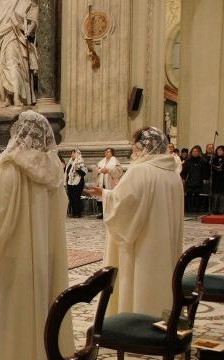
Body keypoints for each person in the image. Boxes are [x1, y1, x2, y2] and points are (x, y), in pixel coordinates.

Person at [0, 110, 74, 360]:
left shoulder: (11, 166)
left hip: (15, 263)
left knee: (13, 317)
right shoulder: (55, 170)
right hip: (45, 259)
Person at [87, 127, 183, 316]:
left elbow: (123, 206)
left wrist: (106, 196)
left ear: (143, 146)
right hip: (164, 243)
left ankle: (135, 321)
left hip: (144, 246)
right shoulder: (173, 173)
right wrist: (107, 193)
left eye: (135, 146)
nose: (133, 151)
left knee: (141, 283)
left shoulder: (140, 170)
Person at [96, 148, 123, 218]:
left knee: (110, 197)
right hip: (102, 182)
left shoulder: (115, 161)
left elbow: (119, 171)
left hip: (111, 182)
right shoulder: (102, 161)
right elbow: (96, 169)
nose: (106, 153)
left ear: (112, 153)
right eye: (105, 151)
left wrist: (108, 170)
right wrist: (99, 170)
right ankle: (102, 213)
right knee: (102, 197)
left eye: (108, 152)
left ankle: (111, 213)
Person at [181, 145, 208, 213]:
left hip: (199, 181)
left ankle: (196, 209)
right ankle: (190, 209)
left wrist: (205, 179)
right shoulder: (188, 161)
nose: (195, 152)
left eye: (196, 151)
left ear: (199, 152)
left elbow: (205, 171)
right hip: (190, 180)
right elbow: (184, 172)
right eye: (193, 151)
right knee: (189, 195)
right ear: (191, 152)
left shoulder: (202, 161)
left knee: (197, 196)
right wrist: (183, 179)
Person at [65, 148, 88, 217]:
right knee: (71, 198)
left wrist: (77, 169)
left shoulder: (80, 162)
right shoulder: (70, 162)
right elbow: (67, 172)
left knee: (76, 198)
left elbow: (84, 173)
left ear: (77, 154)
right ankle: (74, 213)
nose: (71, 154)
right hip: (70, 183)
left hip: (78, 182)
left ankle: (78, 213)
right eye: (71, 153)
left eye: (73, 153)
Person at [210, 145, 224, 214]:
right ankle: (214, 210)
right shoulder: (214, 158)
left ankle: (221, 210)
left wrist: (221, 168)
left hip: (223, 178)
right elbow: (211, 167)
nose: (219, 151)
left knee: (221, 196)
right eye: (218, 150)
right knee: (215, 195)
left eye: (220, 150)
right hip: (215, 178)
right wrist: (214, 167)